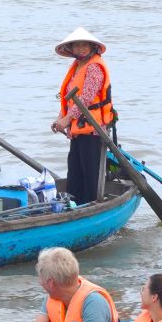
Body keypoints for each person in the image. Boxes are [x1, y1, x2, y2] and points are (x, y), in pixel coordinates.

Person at [51, 27, 115, 205]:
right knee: (75, 173)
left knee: (90, 174)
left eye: (84, 45)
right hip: (78, 130)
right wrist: (60, 119)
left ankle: (91, 206)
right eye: (76, 45)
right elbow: (70, 99)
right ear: (71, 49)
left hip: (93, 130)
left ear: (92, 47)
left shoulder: (94, 67)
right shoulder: (77, 67)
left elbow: (85, 98)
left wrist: (67, 119)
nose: (80, 49)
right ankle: (75, 207)